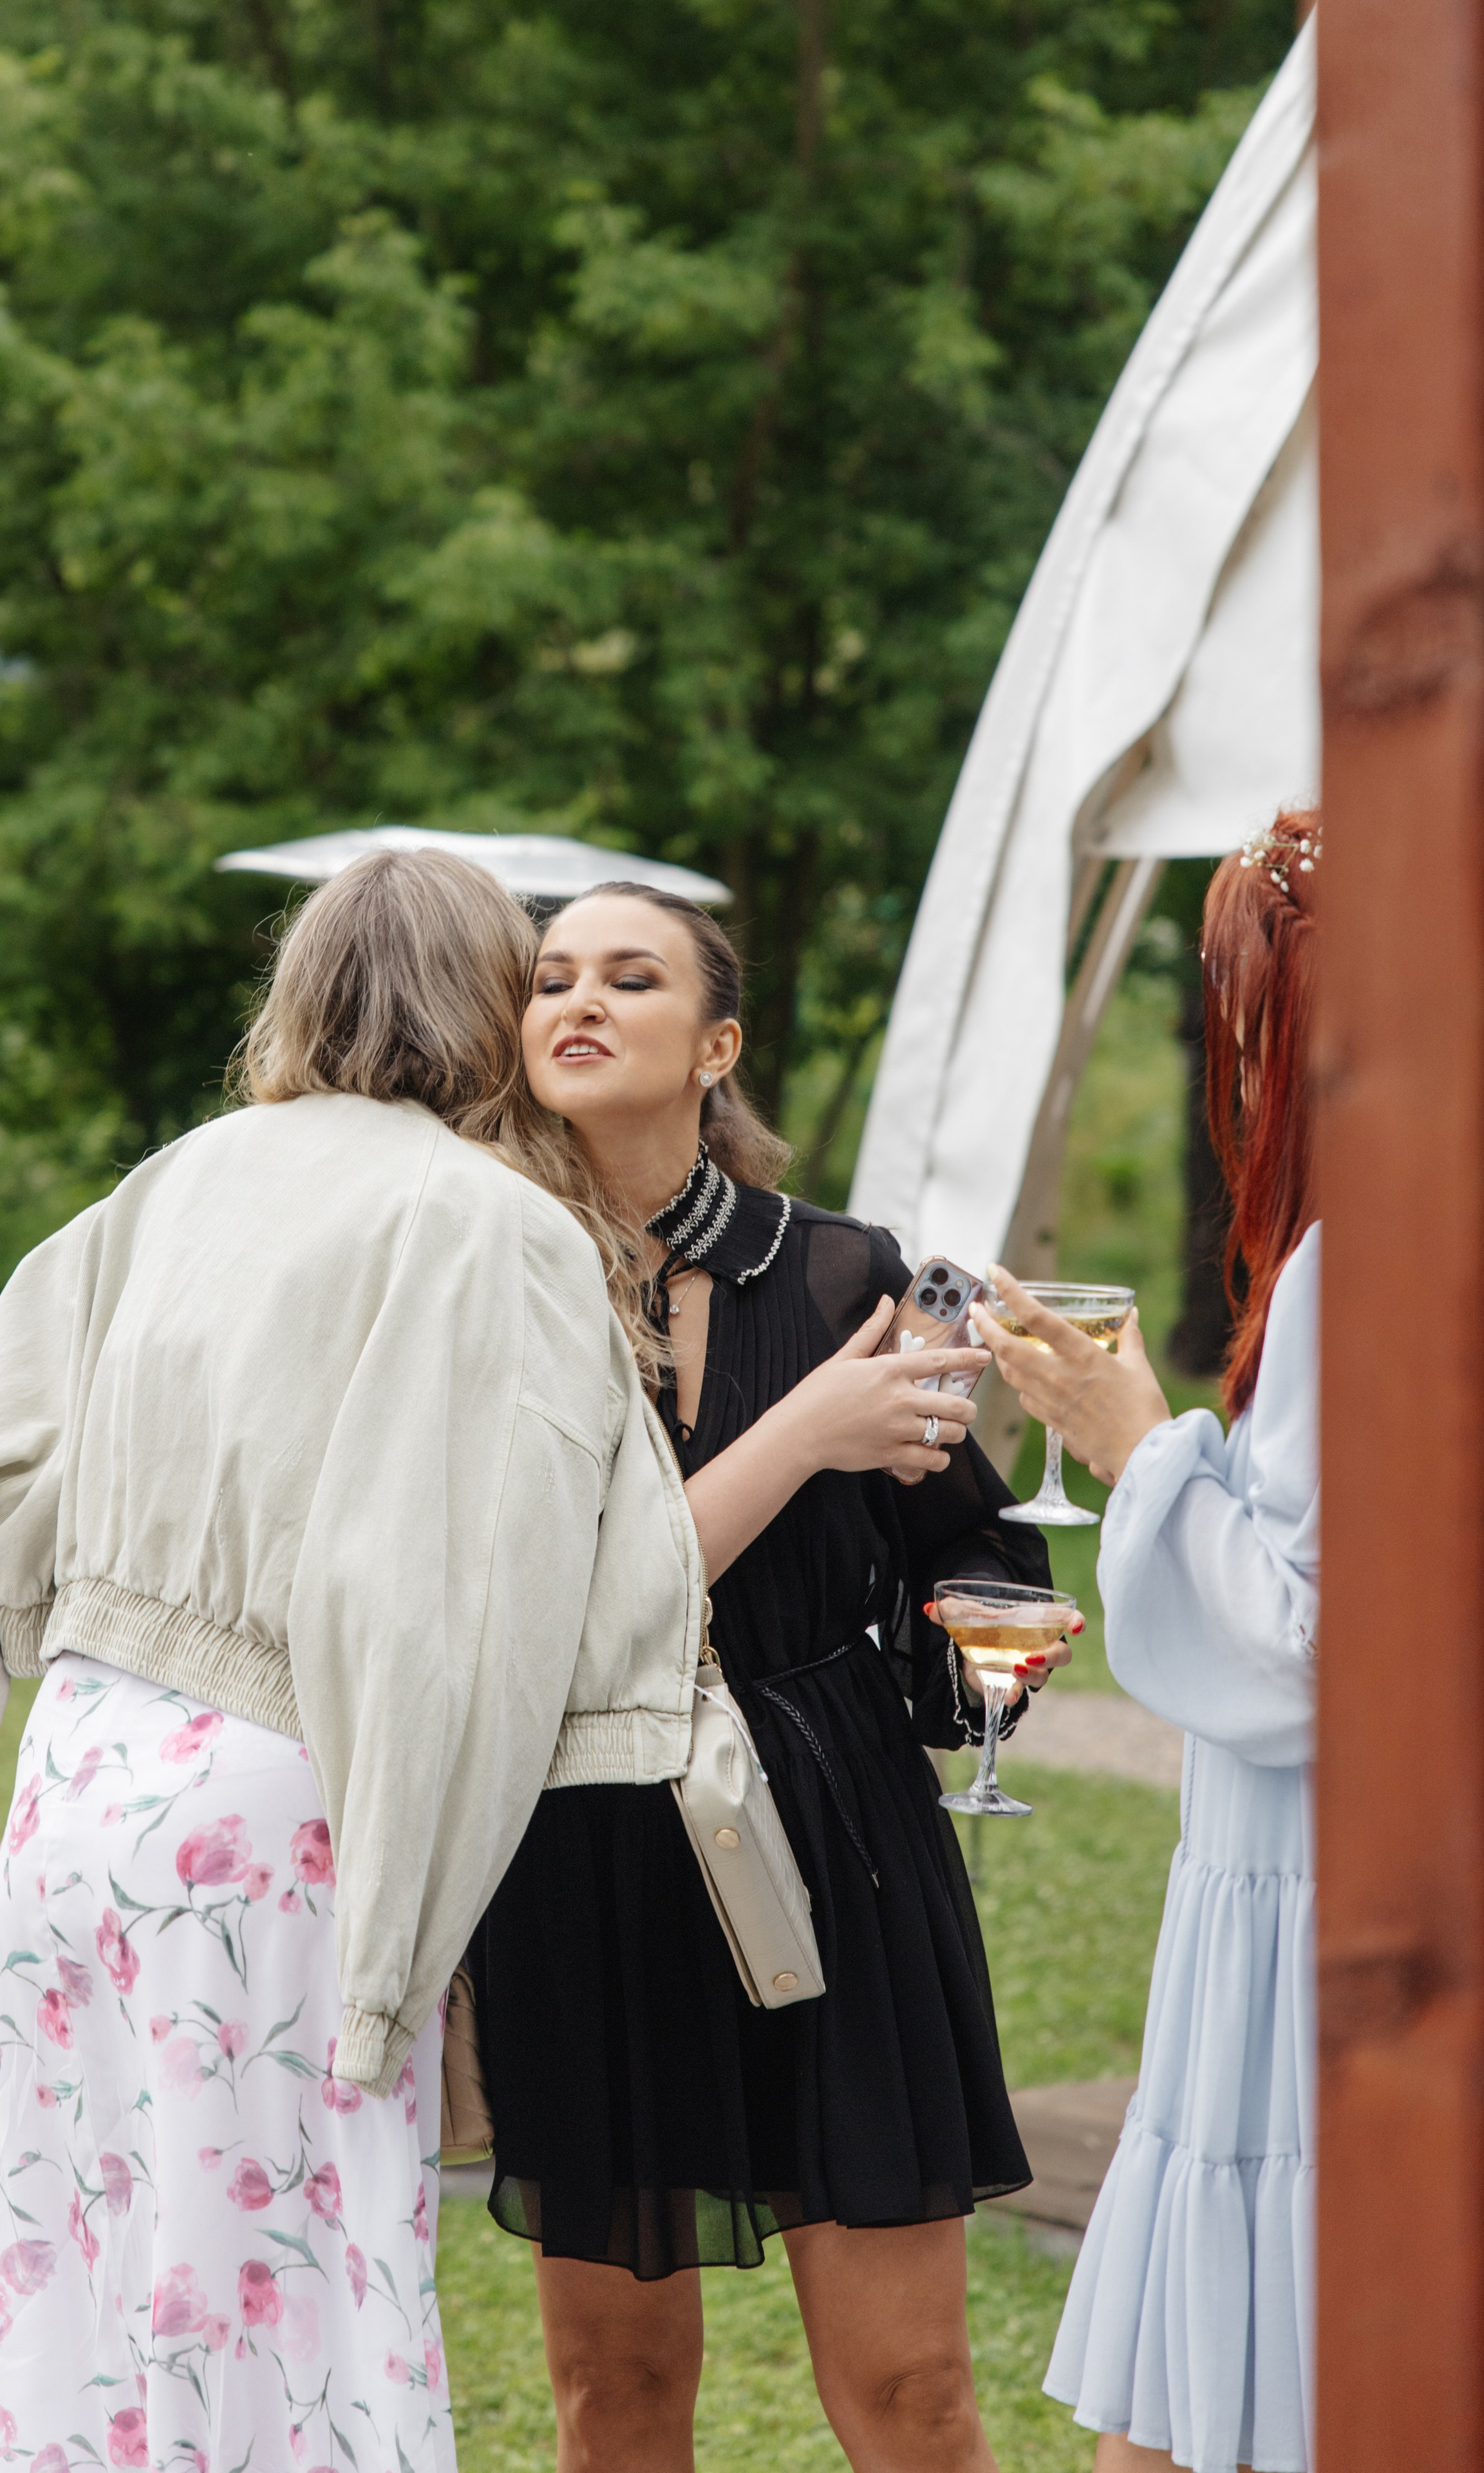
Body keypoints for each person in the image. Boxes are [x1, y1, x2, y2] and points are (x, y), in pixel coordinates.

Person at [0, 851, 704, 2473]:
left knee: (79, 2274)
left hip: (81, 1778)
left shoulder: (174, 1180)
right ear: (482, 1004)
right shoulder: (490, 1227)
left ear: (298, 989)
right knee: (293, 2299)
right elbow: (464, 1609)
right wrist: (412, 1940)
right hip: (278, 1801)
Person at [476, 881, 1075, 2473]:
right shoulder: (485, 1283)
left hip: (837, 1847)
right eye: (548, 981)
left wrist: (986, 1667)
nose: (574, 1003)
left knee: (913, 2394)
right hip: (583, 1854)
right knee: (612, 2397)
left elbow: (979, 1542)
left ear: (714, 1044)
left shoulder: (839, 1276)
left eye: (626, 977)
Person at [977, 810, 1322, 2473]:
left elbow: (1310, 1637)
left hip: (1306, 1881)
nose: (1234, 1058)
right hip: (1284, 1873)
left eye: (1246, 1008)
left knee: (1215, 2393)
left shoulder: (1352, 1265)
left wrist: (1139, 1445)